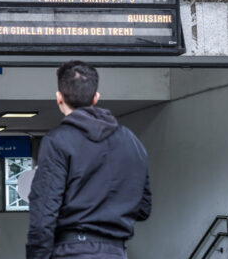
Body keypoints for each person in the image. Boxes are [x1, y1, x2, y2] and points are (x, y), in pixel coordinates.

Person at [26, 61, 151, 259]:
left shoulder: (58, 140)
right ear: (96, 98)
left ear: (59, 98)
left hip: (71, 250)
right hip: (116, 251)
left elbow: (44, 214)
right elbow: (144, 208)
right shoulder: (130, 140)